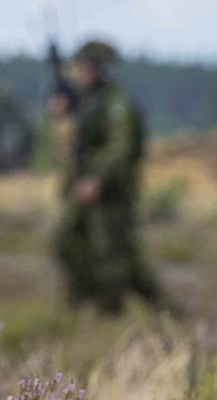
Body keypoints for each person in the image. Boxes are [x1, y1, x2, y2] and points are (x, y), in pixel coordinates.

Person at [50, 40, 166, 314]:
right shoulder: (86, 102)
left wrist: (97, 178)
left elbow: (121, 148)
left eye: (85, 68)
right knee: (68, 241)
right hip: (83, 188)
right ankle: (86, 301)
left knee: (113, 256)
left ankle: (115, 311)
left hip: (111, 192)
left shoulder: (116, 104)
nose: (79, 73)